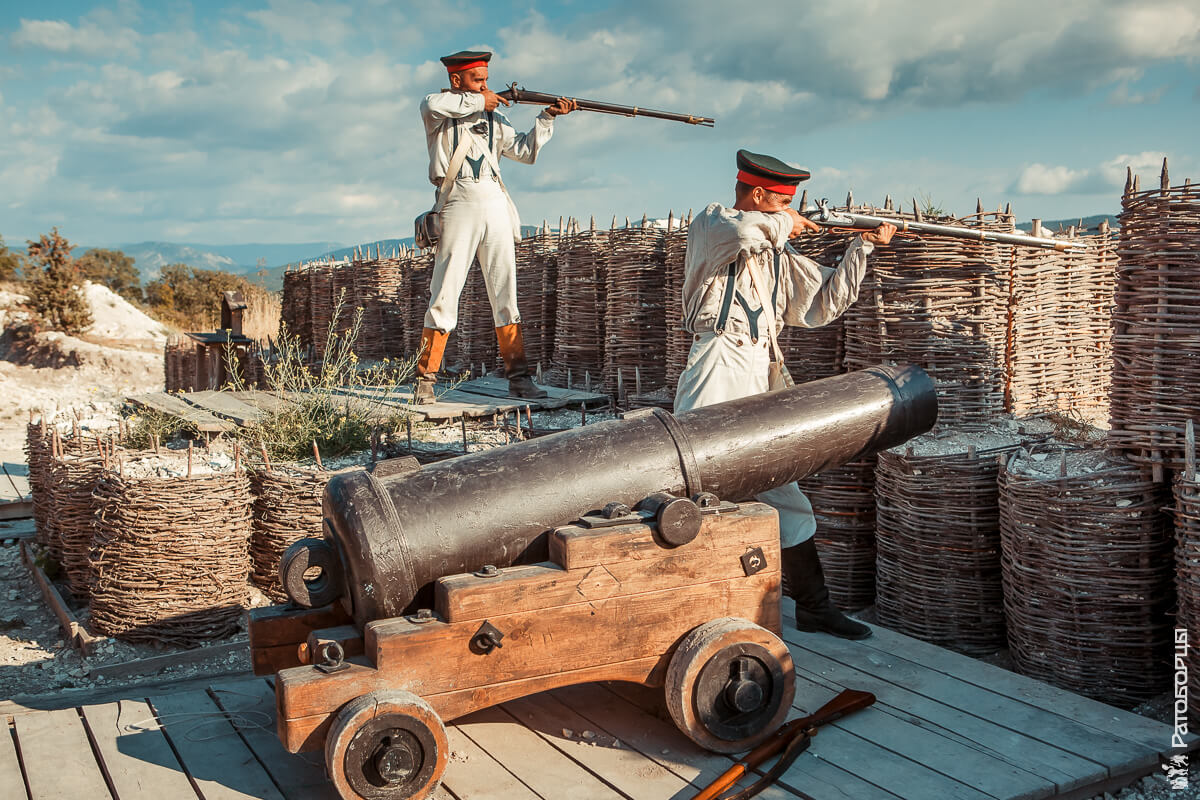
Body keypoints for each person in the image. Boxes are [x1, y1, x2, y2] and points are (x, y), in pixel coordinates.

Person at [674, 149, 896, 639]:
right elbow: (743, 233)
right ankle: (691, 610)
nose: (786, 213)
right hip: (719, 361)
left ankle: (815, 608)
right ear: (756, 195)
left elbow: (819, 308)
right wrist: (784, 224)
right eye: (780, 202)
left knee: (787, 498)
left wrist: (861, 247)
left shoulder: (777, 247)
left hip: (761, 367)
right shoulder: (715, 223)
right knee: (700, 484)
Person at [414, 50, 577, 404]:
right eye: (477, 80)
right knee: (444, 293)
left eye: (486, 80)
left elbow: (523, 151)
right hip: (457, 200)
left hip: (495, 202)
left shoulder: (494, 115)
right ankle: (425, 380)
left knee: (506, 294)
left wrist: (547, 117)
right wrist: (479, 101)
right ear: (457, 81)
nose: (485, 87)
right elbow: (431, 105)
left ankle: (519, 379)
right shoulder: (439, 108)